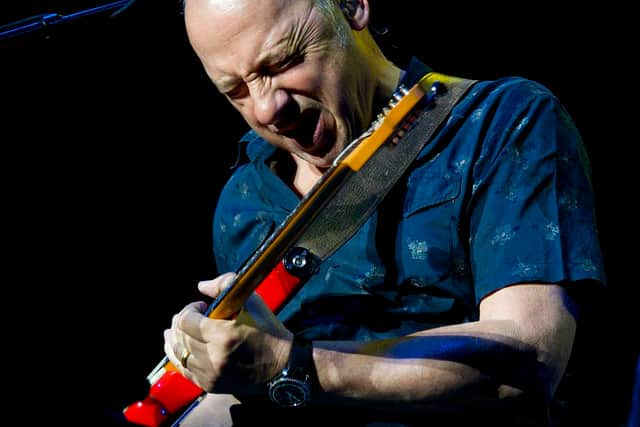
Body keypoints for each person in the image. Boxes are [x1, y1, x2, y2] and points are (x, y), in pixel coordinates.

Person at [162, 0, 606, 425]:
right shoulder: (242, 201)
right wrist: (215, 362)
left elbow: (531, 359)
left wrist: (289, 365)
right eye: (236, 90)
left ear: (352, 5)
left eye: (283, 63)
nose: (266, 108)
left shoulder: (501, 124)